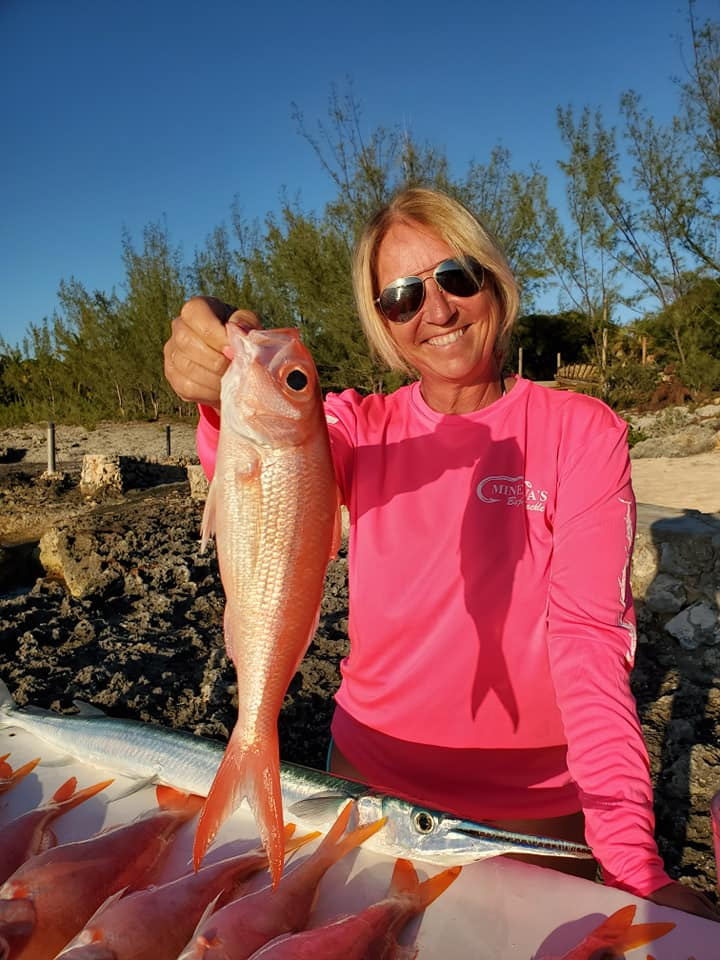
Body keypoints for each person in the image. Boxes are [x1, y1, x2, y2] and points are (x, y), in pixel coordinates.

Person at [164, 187, 718, 922]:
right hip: (366, 787)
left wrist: (632, 863)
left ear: (494, 279)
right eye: (401, 296)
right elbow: (267, 476)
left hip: (532, 811)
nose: (438, 308)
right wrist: (211, 379)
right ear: (383, 323)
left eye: (457, 277)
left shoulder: (583, 432)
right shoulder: (355, 425)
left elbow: (589, 642)